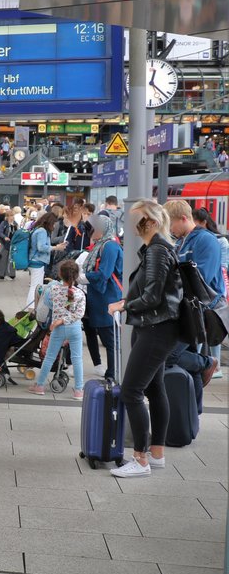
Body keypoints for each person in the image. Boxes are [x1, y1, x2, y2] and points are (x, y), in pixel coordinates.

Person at [107, 199, 183, 478]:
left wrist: (123, 305)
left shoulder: (157, 251)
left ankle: (140, 460)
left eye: (136, 219)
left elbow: (152, 296)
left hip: (156, 329)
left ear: (151, 222)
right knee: (154, 389)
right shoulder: (156, 248)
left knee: (131, 391)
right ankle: (157, 454)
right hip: (156, 327)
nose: (131, 224)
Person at [167, 200, 226, 381]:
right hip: (187, 309)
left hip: (200, 309)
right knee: (184, 359)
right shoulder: (181, 242)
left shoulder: (206, 240)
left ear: (183, 218)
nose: (169, 229)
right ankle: (196, 389)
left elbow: (201, 278)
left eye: (171, 223)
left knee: (169, 355)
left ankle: (207, 363)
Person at [30, 258, 86, 397]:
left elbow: (48, 303)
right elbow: (79, 314)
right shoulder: (80, 294)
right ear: (76, 276)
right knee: (77, 359)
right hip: (74, 328)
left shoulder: (53, 290)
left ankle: (40, 386)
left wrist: (60, 319)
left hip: (58, 328)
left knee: (49, 357)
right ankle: (79, 390)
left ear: (60, 274)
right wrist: (66, 318)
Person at [81, 214, 123, 381]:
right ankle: (112, 372)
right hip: (100, 297)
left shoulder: (110, 246)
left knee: (110, 339)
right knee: (107, 337)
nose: (91, 232)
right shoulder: (101, 244)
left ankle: (113, 373)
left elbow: (104, 273)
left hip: (107, 298)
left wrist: (84, 277)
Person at [25, 211, 60, 309]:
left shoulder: (37, 229)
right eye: (53, 223)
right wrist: (56, 247)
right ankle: (31, 308)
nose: (54, 226)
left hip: (34, 260)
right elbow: (41, 247)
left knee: (35, 285)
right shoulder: (42, 231)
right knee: (35, 286)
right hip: (37, 261)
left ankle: (31, 307)